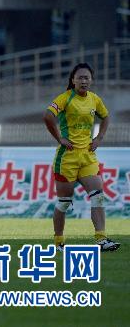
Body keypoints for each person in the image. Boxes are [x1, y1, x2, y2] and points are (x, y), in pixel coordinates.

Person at [43, 63, 120, 252]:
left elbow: (106, 116)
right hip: (66, 158)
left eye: (87, 78)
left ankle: (101, 239)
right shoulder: (65, 98)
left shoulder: (95, 99)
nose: (84, 81)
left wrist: (99, 138)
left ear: (91, 80)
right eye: (80, 77)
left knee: (98, 196)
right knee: (64, 203)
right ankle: (59, 242)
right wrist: (60, 138)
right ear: (73, 80)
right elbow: (47, 116)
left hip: (87, 156)